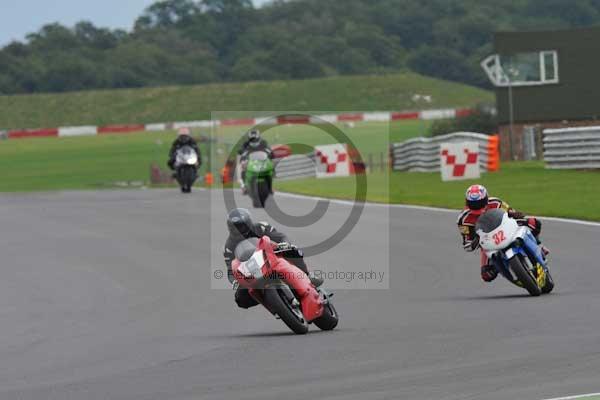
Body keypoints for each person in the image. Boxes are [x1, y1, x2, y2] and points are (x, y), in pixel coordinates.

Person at [223, 208, 323, 309]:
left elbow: (280, 236)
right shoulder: (229, 246)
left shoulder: (260, 227)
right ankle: (272, 301)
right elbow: (230, 269)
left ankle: (307, 275)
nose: (238, 230)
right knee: (240, 299)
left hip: (271, 255)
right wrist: (235, 281)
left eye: (241, 227)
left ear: (248, 223)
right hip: (253, 270)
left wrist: (285, 244)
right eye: (234, 228)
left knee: (292, 250)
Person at [457, 184, 546, 282]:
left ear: (486, 199)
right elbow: (467, 244)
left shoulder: (496, 202)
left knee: (534, 223)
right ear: (467, 203)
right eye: (473, 204)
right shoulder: (463, 219)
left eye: (480, 203)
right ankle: (500, 266)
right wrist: (475, 241)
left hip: (506, 229)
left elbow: (511, 212)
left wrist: (515, 214)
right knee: (486, 275)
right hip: (487, 243)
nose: (477, 206)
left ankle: (539, 245)